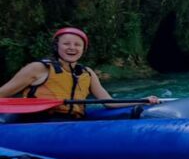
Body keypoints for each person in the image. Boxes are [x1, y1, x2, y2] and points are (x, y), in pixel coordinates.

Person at [0, 27, 159, 121]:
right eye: (66, 44)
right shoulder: (38, 68)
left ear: (83, 49)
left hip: (74, 122)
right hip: (40, 122)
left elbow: (109, 102)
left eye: (77, 45)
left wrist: (143, 100)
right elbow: (3, 93)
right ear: (57, 47)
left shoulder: (87, 73)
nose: (72, 48)